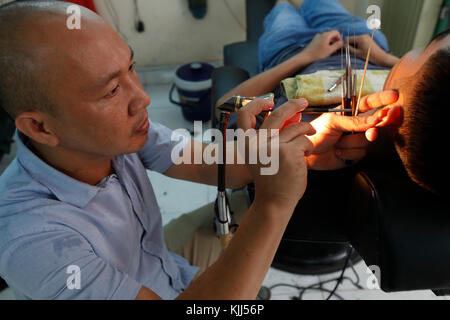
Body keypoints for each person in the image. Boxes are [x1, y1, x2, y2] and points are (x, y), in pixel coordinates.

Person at [0, 1, 394, 300]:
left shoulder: (116, 133)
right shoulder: (34, 242)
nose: (142, 99)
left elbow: (216, 165)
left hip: (164, 263)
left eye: (131, 69)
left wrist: (300, 144)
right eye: (112, 90)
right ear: (40, 126)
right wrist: (273, 204)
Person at [217, 0, 450, 195]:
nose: (407, 54)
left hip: (293, 50)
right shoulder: (421, 120)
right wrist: (385, 58)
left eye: (421, 49)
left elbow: (224, 107)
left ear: (390, 115)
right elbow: (420, 80)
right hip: (364, 44)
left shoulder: (301, 123)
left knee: (282, 10)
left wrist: (305, 56)